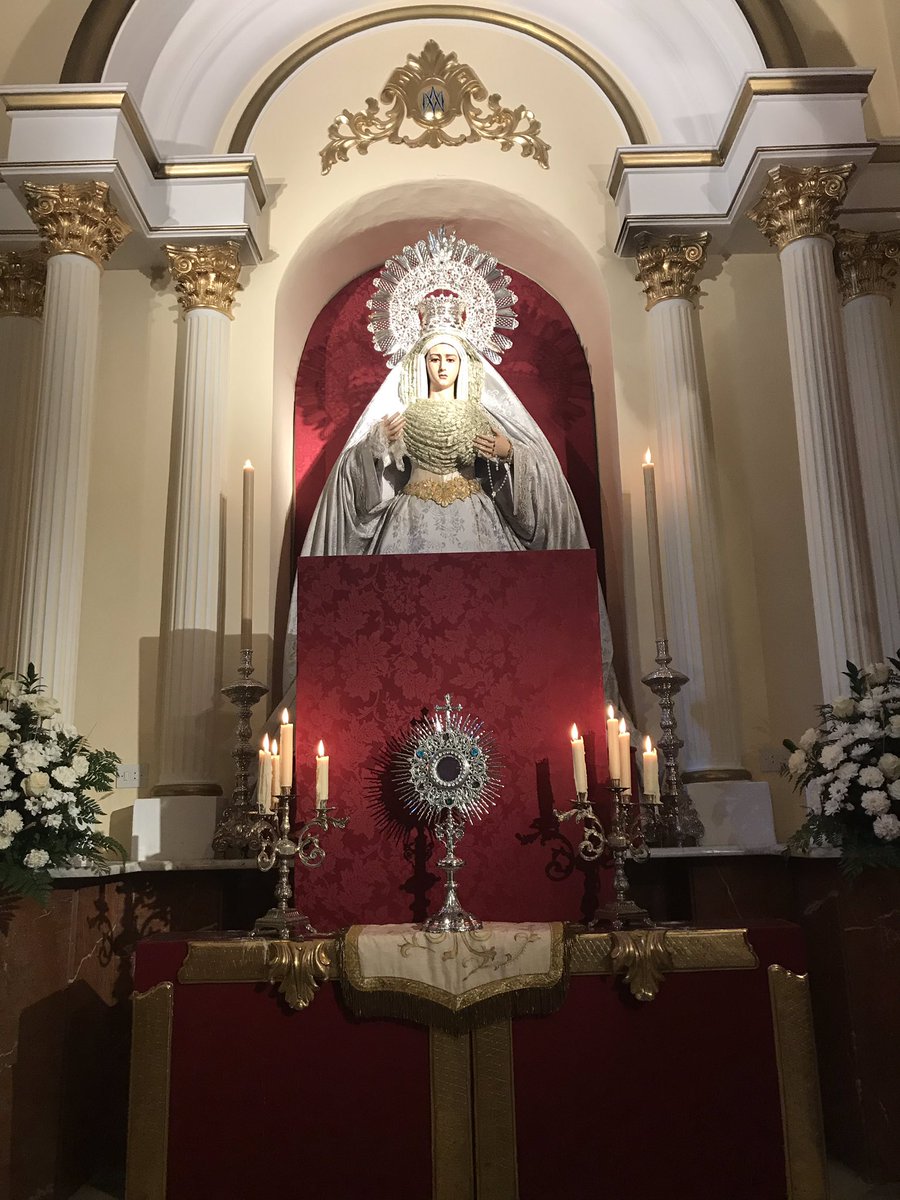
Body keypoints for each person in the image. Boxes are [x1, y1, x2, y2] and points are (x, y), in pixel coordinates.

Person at [301, 298, 590, 558]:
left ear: (462, 363)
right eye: (434, 359)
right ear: (422, 363)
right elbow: (352, 471)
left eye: (450, 359)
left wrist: (511, 452)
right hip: (411, 516)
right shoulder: (404, 413)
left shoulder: (480, 414)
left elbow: (536, 465)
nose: (442, 367)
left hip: (474, 516)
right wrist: (375, 446)